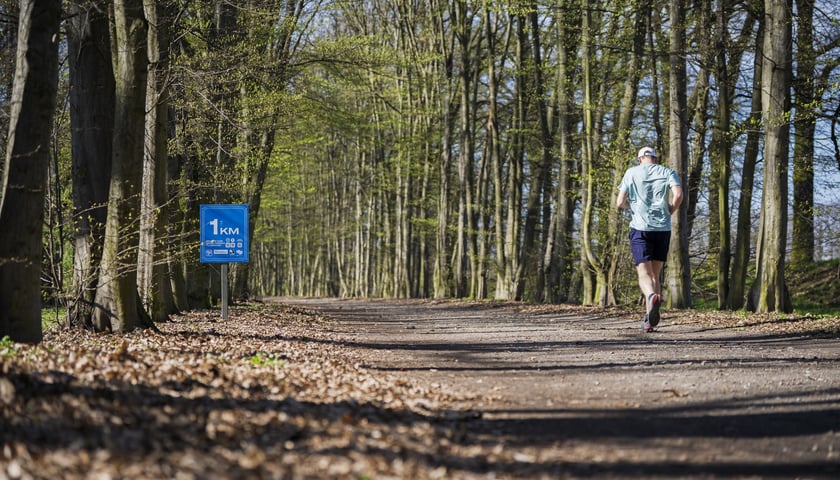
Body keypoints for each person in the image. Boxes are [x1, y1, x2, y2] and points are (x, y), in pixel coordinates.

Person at [616, 146, 683, 332]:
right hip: (662, 229)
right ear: (655, 158)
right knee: (655, 275)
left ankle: (652, 295)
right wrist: (670, 210)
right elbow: (678, 195)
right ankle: (649, 321)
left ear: (639, 159)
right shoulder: (668, 171)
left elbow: (620, 202)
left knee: (644, 275)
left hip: (640, 228)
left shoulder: (631, 172)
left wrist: (632, 208)